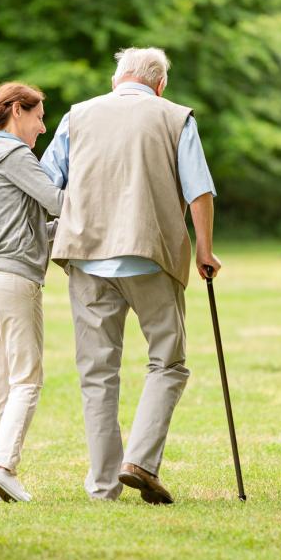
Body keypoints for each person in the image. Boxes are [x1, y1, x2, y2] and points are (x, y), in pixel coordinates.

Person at [41, 47, 221, 504]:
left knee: (97, 373)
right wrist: (203, 250)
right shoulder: (175, 117)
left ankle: (103, 487)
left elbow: (47, 183)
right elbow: (199, 191)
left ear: (117, 78)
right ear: (159, 84)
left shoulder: (76, 116)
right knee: (168, 360)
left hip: (85, 257)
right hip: (151, 256)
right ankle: (140, 460)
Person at [0, 82, 63, 503]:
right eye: (39, 116)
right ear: (18, 111)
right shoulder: (16, 154)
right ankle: (3, 468)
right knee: (26, 381)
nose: (42, 127)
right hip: (11, 281)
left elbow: (35, 229)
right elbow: (58, 203)